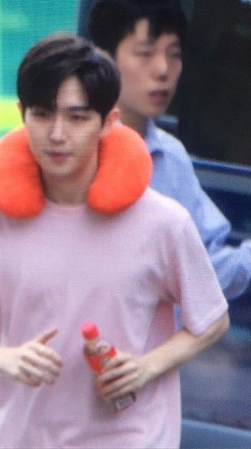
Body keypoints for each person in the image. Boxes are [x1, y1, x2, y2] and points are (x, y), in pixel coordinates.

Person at [0, 34, 229, 448]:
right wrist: (4, 359)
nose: (57, 134)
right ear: (22, 114)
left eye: (77, 118)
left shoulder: (163, 222)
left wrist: (147, 367)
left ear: (108, 122)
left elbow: (212, 319)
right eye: (42, 114)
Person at [85, 0, 251, 300]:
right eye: (145, 53)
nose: (163, 70)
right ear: (104, 59)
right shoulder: (72, 151)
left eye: (174, 54)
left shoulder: (171, 156)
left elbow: (204, 269)